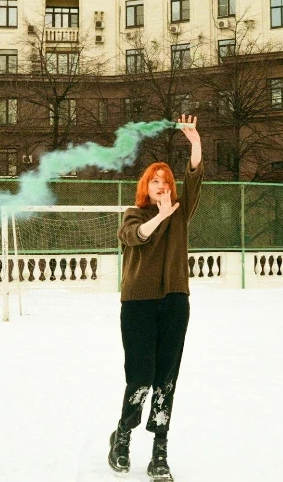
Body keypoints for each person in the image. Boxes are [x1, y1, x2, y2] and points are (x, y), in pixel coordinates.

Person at [108, 114, 202, 482]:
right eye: (155, 181)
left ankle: (159, 452)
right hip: (138, 307)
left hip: (176, 303)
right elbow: (134, 236)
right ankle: (123, 436)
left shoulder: (180, 214)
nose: (161, 186)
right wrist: (157, 218)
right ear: (146, 187)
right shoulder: (134, 214)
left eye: (166, 181)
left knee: (166, 378)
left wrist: (194, 143)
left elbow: (195, 177)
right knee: (141, 377)